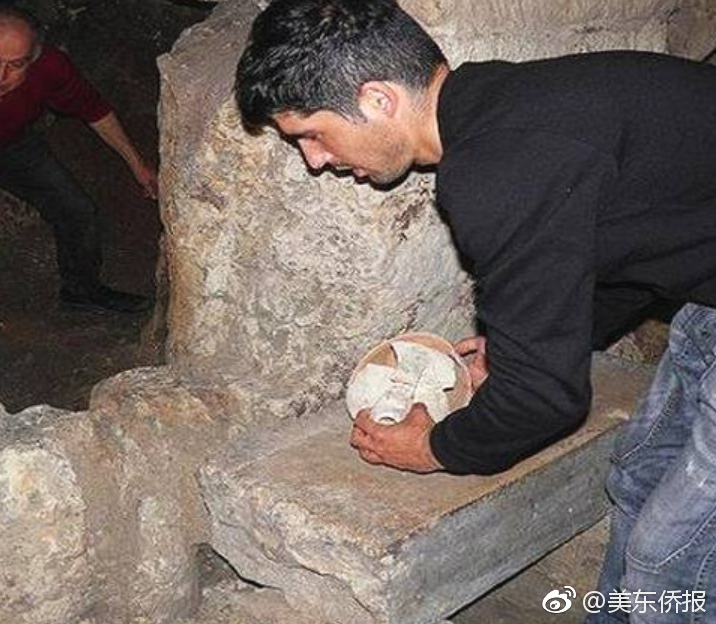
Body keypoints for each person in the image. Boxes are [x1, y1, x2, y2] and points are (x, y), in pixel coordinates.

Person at [234, 0, 716, 621]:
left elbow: (544, 397)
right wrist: (518, 343)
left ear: (378, 99)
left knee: (669, 559)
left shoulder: (499, 169)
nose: (315, 160)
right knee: (639, 475)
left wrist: (436, 447)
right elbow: (634, 238)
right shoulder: (506, 105)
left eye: (312, 134)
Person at [0, 5, 158, 364]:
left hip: (8, 145)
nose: (0, 76)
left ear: (34, 59)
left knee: (76, 209)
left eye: (17, 65)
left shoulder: (50, 66)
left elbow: (94, 109)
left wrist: (137, 165)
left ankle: (82, 290)